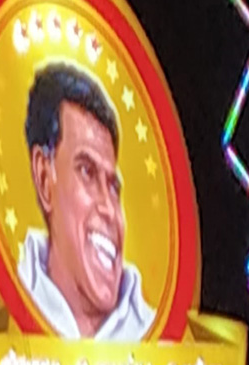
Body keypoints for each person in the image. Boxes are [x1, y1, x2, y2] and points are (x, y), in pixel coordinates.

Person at [18, 62, 155, 341]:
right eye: (87, 172)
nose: (109, 209)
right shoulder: (13, 300)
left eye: (113, 187)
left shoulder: (154, 334)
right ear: (44, 178)